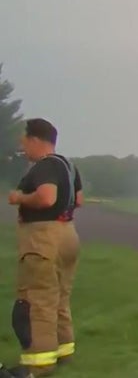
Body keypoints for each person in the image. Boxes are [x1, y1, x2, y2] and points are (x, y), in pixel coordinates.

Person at [6, 119, 82, 376]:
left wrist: (19, 198)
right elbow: (78, 199)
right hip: (68, 234)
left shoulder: (44, 166)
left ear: (36, 139)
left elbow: (47, 197)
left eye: (24, 141)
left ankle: (38, 365)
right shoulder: (68, 166)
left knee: (37, 300)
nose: (23, 147)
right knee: (60, 296)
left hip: (43, 237)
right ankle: (63, 350)